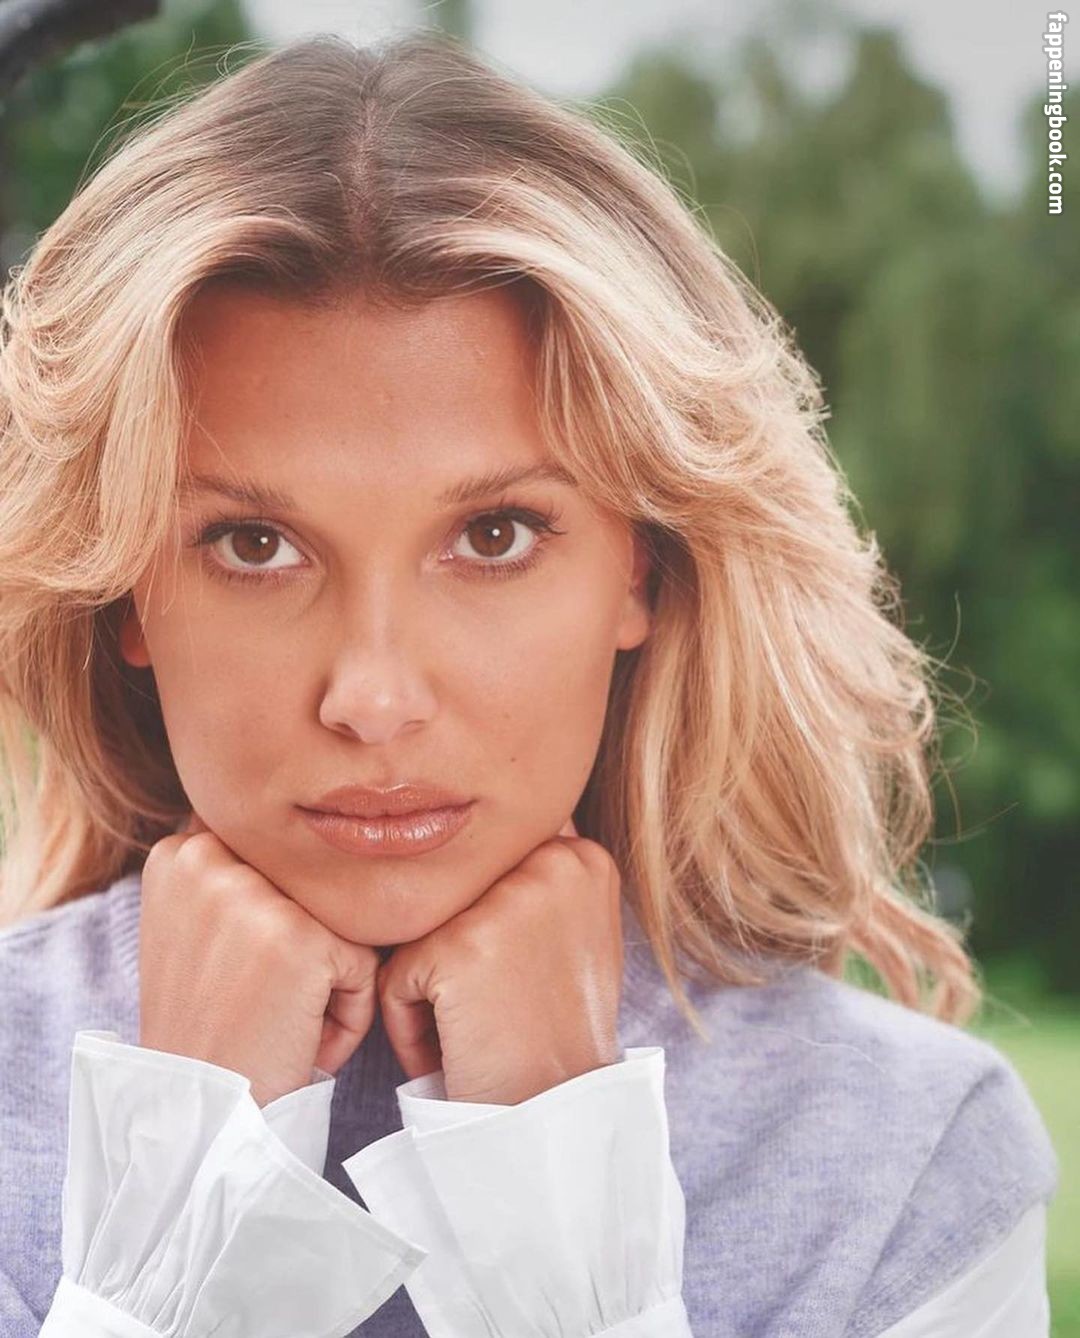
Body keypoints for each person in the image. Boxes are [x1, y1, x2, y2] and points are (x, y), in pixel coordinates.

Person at [0, 27, 1058, 1338]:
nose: (373, 697)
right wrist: (174, 1222)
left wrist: (558, 1205)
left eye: (493, 536)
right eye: (254, 544)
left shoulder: (905, 1160)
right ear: (122, 591)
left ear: (642, 568)